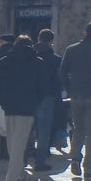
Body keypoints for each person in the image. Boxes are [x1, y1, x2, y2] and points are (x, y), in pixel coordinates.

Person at [0, 35, 50, 181]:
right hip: (27, 106)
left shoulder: (5, 61)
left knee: (12, 142)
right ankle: (12, 179)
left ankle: (20, 174)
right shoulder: (38, 63)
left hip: (8, 105)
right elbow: (43, 87)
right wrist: (36, 101)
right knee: (19, 143)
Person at [60, 22, 91, 181]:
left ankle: (75, 157)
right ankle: (88, 168)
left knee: (78, 129)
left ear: (85, 33)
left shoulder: (71, 49)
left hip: (76, 95)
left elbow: (62, 72)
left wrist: (69, 88)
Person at [33, 29, 63, 171]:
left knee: (27, 128)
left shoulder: (31, 55)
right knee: (44, 130)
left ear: (38, 39)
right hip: (48, 96)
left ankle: (23, 159)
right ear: (51, 41)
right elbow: (59, 80)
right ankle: (40, 160)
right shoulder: (56, 59)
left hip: (30, 96)